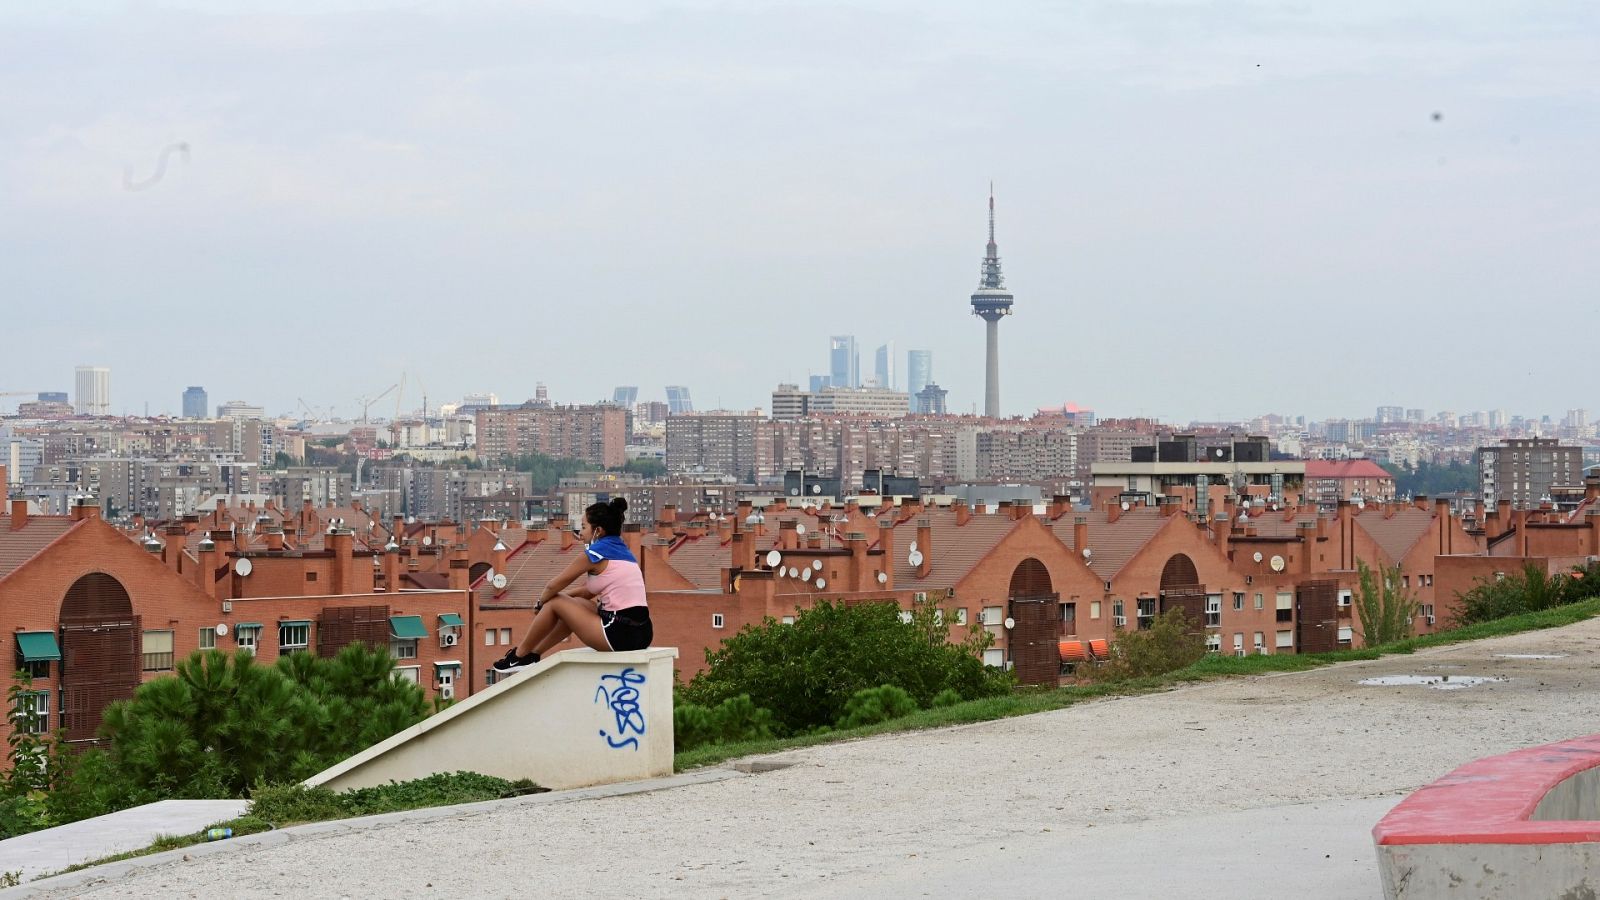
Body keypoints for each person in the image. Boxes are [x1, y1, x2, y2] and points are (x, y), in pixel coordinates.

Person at [492, 497, 652, 674]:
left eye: (584, 527)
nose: (580, 533)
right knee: (572, 604)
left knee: (556, 602)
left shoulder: (595, 554)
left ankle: (518, 656)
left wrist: (542, 602)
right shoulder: (624, 552)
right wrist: (562, 600)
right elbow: (585, 592)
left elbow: (554, 586)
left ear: (598, 531)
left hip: (619, 635)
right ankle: (534, 654)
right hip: (642, 633)